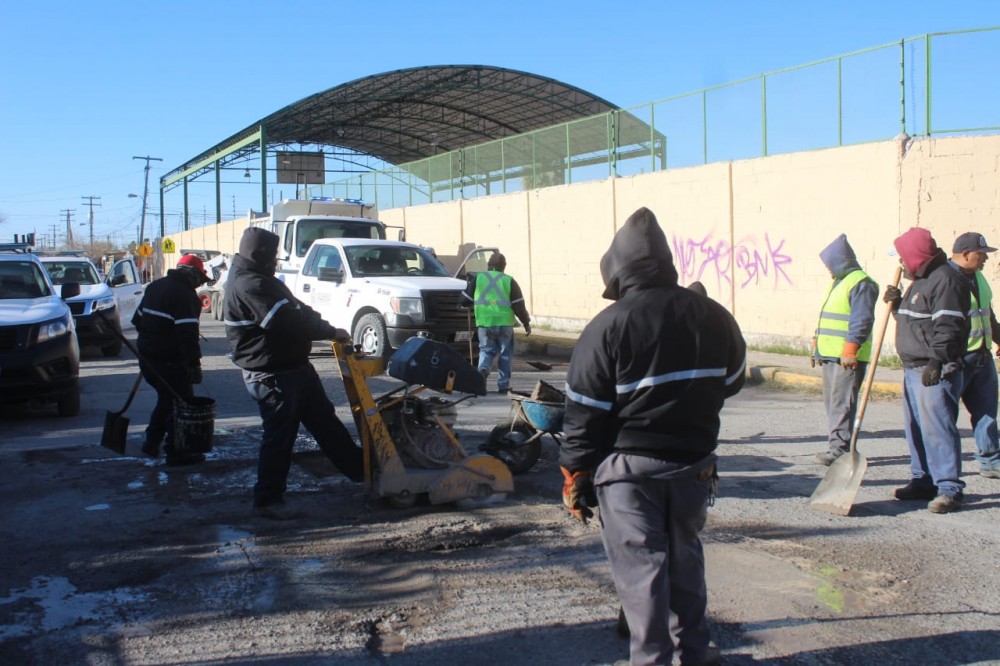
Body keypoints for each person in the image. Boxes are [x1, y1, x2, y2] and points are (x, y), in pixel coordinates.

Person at [559, 207, 745, 665]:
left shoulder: (608, 326)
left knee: (643, 578)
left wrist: (574, 473)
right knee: (686, 565)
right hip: (693, 469)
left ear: (618, 269)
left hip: (627, 477)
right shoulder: (714, 316)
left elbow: (584, 411)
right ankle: (695, 655)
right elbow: (733, 378)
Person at [223, 227, 364, 520]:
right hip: (272, 375)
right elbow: (286, 321)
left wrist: (323, 325)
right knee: (280, 437)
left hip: (294, 368)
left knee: (327, 425)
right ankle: (267, 500)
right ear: (260, 254)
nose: (275, 260)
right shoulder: (249, 284)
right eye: (272, 255)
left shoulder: (264, 280)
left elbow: (298, 309)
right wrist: (327, 331)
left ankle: (364, 474)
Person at [885, 227, 971, 513]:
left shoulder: (946, 280)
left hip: (934, 368)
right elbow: (916, 322)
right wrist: (896, 305)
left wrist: (937, 361)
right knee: (916, 429)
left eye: (902, 256)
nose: (900, 262)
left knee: (938, 429)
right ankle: (923, 480)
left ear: (915, 254)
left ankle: (949, 488)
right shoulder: (919, 280)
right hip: (912, 368)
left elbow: (950, 326)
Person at [133, 253, 210, 466]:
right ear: (193, 276)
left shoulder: (155, 287)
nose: (198, 285)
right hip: (169, 362)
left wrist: (151, 344)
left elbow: (138, 321)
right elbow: (187, 336)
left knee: (167, 401)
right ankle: (177, 452)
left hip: (148, 359)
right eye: (199, 280)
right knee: (180, 404)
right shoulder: (185, 296)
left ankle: (152, 441)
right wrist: (194, 365)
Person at [812, 234, 878, 466]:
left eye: (829, 264)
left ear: (840, 261)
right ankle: (837, 444)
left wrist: (851, 349)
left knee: (842, 404)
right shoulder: (839, 281)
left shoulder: (861, 283)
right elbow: (829, 317)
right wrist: (817, 345)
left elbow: (861, 320)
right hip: (831, 355)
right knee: (833, 404)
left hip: (847, 357)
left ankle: (839, 449)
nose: (827, 269)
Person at [949, 232, 1000, 479]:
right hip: (956, 359)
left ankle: (990, 460)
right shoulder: (944, 278)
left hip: (982, 355)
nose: (986, 260)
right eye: (982, 254)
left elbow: (987, 314)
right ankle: (941, 471)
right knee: (945, 417)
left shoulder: (979, 278)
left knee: (987, 412)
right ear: (966, 254)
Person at [462, 252, 531, 394]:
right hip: (505, 324)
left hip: (485, 323)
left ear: (488, 265)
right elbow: (519, 306)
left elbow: (465, 299)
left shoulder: (478, 278)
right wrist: (526, 323)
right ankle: (503, 385)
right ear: (503, 266)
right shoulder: (509, 281)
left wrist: (462, 305)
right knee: (505, 354)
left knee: (486, 351)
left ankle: (482, 373)